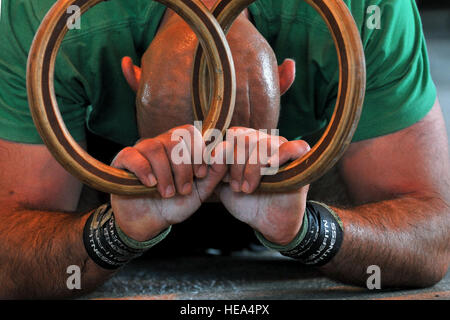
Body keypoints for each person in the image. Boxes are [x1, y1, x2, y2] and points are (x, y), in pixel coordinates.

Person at [0, 0, 448, 299]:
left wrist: (309, 230)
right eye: (194, 167)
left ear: (285, 78)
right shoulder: (49, 15)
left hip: (300, 185)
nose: (210, 184)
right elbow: (6, 250)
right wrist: (115, 231)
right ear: (133, 78)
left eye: (225, 164)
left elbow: (436, 234)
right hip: (118, 180)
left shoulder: (366, 10)